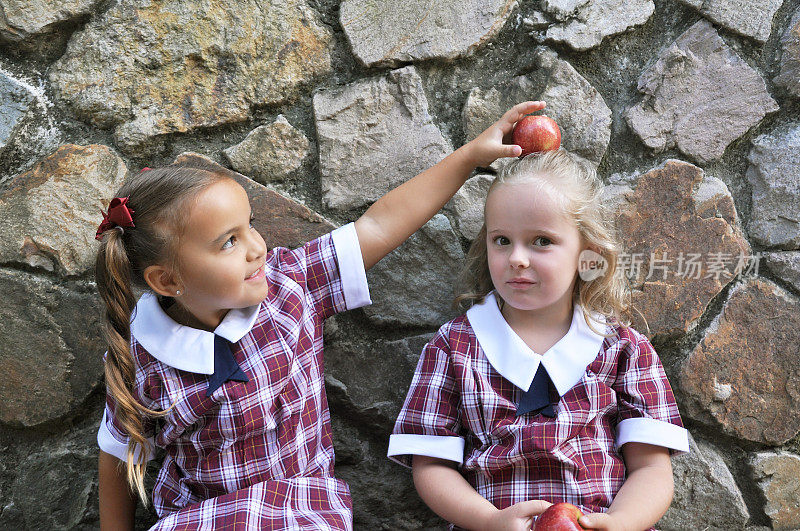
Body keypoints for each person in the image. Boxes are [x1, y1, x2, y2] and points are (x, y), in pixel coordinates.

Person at [94, 101, 545, 530]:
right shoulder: (142, 360)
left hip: (302, 512)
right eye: (228, 242)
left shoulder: (292, 284)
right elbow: (118, 457)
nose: (257, 247)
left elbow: (378, 225)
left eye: (250, 225)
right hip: (204, 517)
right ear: (168, 282)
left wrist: (468, 157)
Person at [387, 148, 690, 531]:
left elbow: (651, 466)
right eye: (501, 240)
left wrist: (622, 523)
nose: (516, 258)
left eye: (541, 241)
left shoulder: (623, 348)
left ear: (588, 257)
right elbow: (430, 464)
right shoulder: (455, 346)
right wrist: (489, 520)